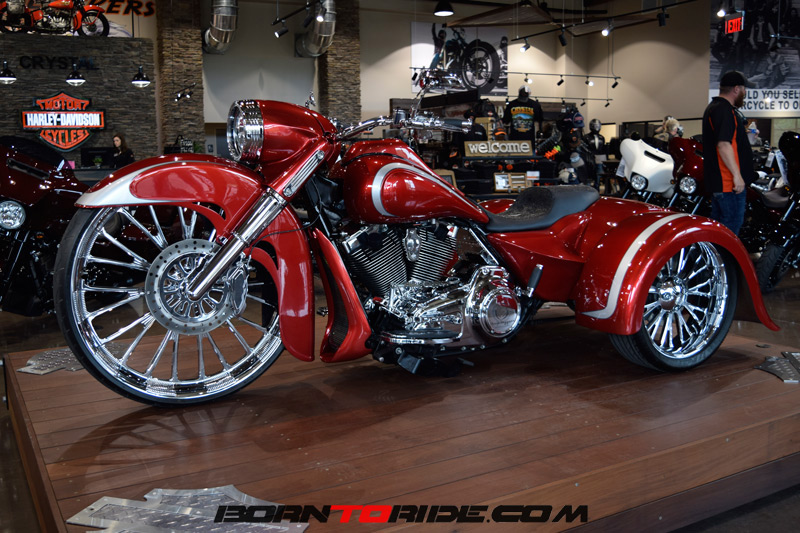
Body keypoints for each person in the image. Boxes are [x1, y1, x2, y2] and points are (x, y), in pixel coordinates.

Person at [702, 71, 756, 235]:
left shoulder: (715, 108)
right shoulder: (724, 111)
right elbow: (724, 145)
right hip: (728, 184)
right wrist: (737, 176)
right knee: (729, 232)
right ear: (736, 89)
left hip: (722, 183)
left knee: (719, 231)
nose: (745, 93)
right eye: (744, 89)